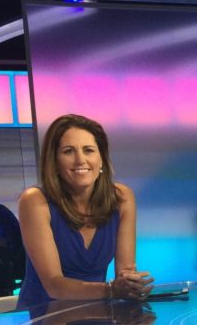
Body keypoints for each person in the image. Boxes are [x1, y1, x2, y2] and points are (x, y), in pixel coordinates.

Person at [17, 114, 153, 309]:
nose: (80, 160)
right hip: (44, 318)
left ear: (102, 160)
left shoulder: (122, 198)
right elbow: (54, 286)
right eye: (68, 151)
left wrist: (132, 284)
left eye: (89, 150)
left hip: (97, 313)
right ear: (54, 161)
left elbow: (125, 273)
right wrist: (111, 290)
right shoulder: (34, 201)